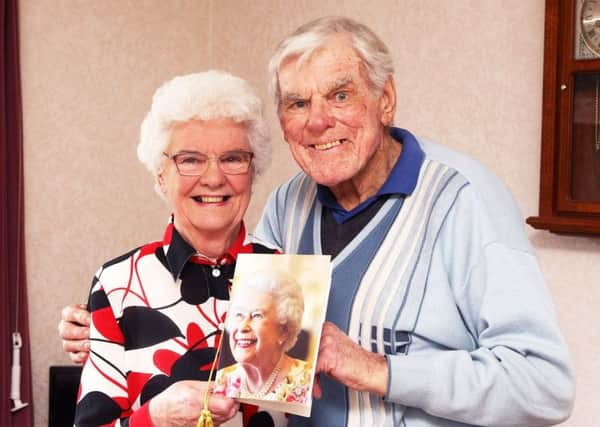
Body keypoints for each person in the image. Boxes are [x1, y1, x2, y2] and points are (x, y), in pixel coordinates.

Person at [61, 16, 576, 427]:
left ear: (386, 99)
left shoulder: (467, 200)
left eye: (341, 95)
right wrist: (102, 328)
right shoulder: (290, 204)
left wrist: (379, 370)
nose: (317, 120)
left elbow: (543, 385)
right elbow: (230, 296)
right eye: (297, 102)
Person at [72, 70, 277, 427]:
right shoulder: (118, 284)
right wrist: (155, 417)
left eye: (232, 158)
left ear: (252, 170)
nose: (213, 178)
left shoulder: (287, 274)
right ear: (160, 175)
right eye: (190, 159)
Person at [215, 270, 312, 404]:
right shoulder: (222, 379)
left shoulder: (306, 381)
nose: (243, 327)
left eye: (257, 315)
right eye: (239, 315)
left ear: (283, 332)